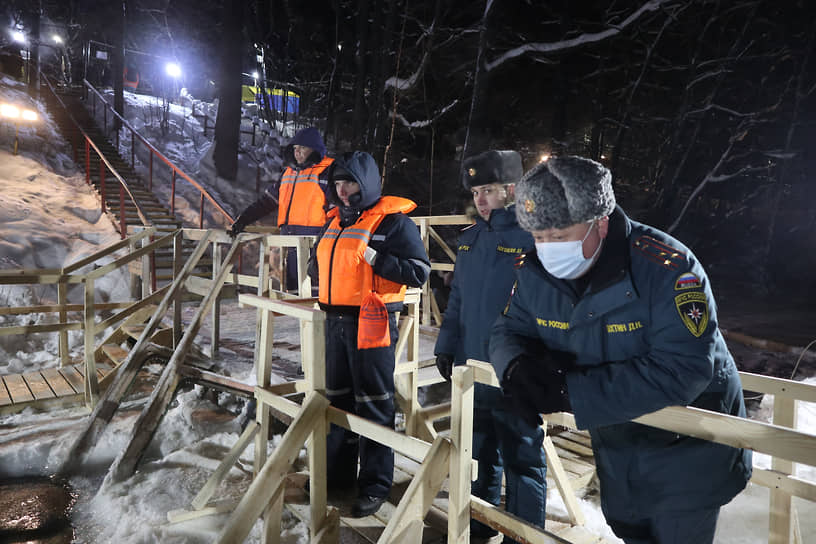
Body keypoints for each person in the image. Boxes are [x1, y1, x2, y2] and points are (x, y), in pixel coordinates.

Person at [489, 156, 752, 544]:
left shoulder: (669, 269)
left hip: (689, 447)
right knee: (630, 530)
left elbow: (684, 368)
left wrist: (568, 392)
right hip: (618, 444)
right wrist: (516, 367)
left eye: (559, 235)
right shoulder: (535, 272)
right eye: (538, 237)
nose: (546, 248)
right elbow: (507, 328)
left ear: (601, 221)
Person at [309, 151, 430, 517]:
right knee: (338, 401)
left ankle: (375, 484)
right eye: (338, 183)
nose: (344, 191)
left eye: (351, 183)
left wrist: (379, 260)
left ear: (368, 183)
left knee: (375, 402)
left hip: (372, 322)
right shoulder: (335, 221)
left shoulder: (393, 224)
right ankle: (339, 477)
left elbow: (418, 272)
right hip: (334, 321)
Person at [434, 150, 545, 542]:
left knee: (524, 461)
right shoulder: (471, 240)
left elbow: (548, 308)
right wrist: (446, 346)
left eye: (489, 190)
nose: (480, 200)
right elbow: (459, 301)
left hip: (517, 372)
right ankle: (478, 528)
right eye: (477, 191)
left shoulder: (535, 239)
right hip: (473, 369)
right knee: (479, 456)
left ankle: (524, 536)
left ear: (511, 191)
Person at [230, 126, 334, 292]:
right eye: (295, 148)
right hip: (289, 240)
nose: (297, 152)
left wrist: (328, 238)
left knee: (315, 292)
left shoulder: (328, 172)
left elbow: (338, 211)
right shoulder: (288, 174)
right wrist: (244, 219)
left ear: (314, 149)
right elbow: (267, 202)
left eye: (303, 148)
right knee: (294, 292)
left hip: (315, 242)